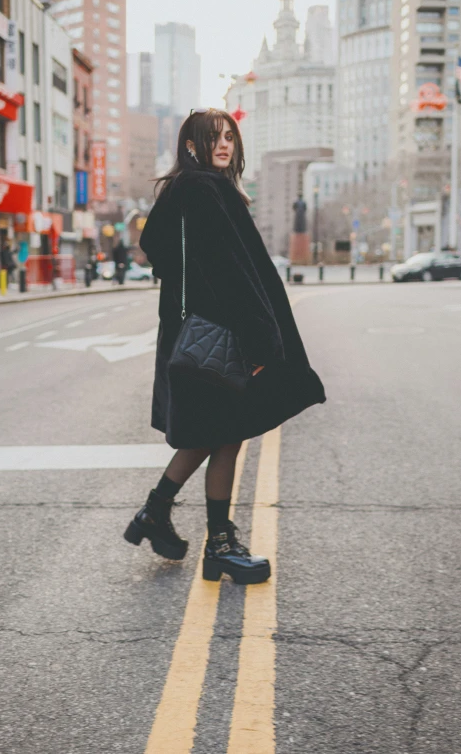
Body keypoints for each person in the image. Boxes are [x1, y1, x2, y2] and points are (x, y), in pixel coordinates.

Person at [124, 108, 326, 585]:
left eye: (229, 137)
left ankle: (159, 514)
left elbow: (166, 254)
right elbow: (232, 271)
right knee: (225, 435)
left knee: (211, 433)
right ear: (191, 146)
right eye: (212, 137)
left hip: (194, 335)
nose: (224, 144)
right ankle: (218, 546)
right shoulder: (205, 190)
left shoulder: (185, 191)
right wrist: (260, 341)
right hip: (220, 335)